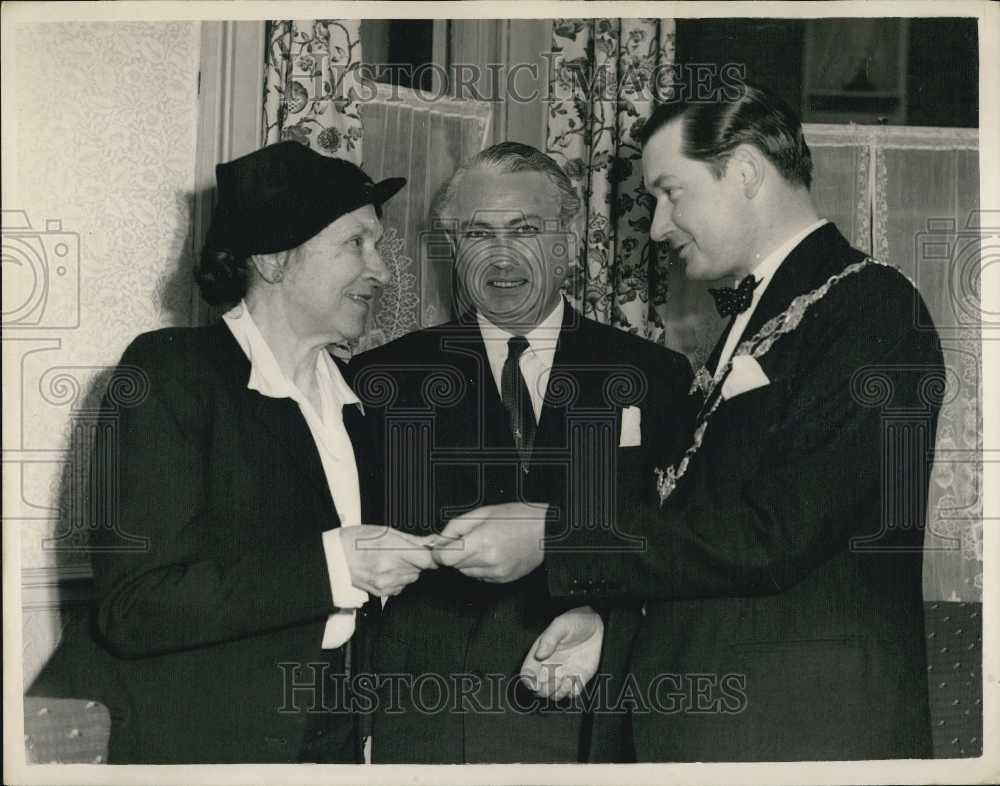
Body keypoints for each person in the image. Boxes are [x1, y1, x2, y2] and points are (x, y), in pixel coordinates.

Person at [432, 85, 945, 760]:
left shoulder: (872, 308)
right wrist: (609, 633)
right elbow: (703, 525)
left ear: (746, 171)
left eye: (672, 193)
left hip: (801, 734)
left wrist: (557, 536)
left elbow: (778, 530)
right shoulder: (760, 317)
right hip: (734, 727)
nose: (658, 227)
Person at [86, 141, 436, 763]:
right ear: (274, 260)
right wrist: (335, 566)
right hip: (215, 751)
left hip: (342, 740)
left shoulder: (363, 402)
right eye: (356, 244)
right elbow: (133, 608)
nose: (382, 270)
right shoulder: (171, 373)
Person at [351, 142, 693, 763]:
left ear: (568, 243)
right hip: (430, 725)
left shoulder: (656, 376)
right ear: (453, 247)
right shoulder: (382, 378)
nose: (501, 255)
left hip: (597, 718)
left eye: (526, 230)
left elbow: (681, 543)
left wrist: (609, 624)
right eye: (478, 233)